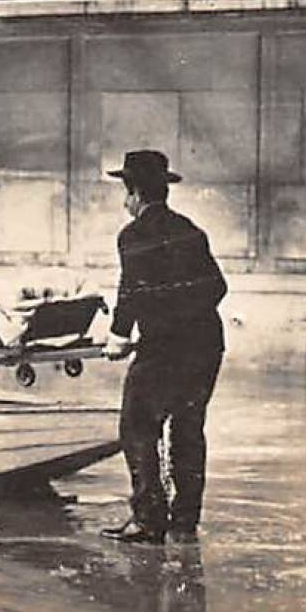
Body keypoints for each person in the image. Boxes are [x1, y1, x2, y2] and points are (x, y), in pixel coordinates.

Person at [100, 149, 227, 545]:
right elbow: (217, 286)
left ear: (135, 192)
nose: (125, 201)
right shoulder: (191, 230)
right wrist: (184, 317)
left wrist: (119, 337)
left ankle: (148, 519)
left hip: (164, 350)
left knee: (138, 426)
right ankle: (185, 520)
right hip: (206, 346)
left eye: (126, 192)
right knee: (189, 430)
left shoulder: (133, 235)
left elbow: (132, 292)